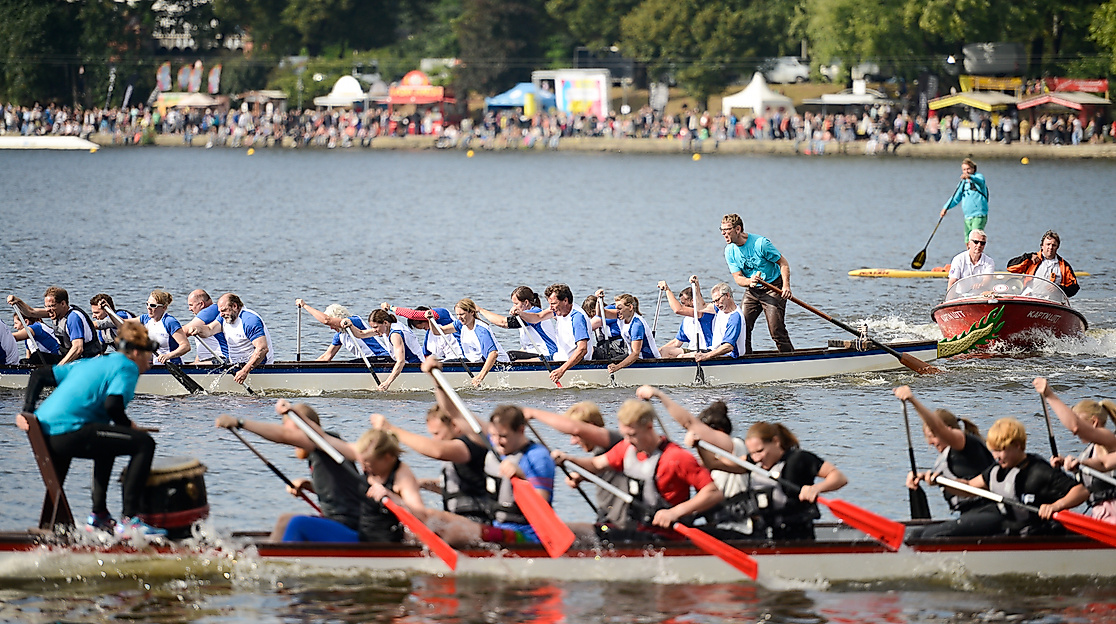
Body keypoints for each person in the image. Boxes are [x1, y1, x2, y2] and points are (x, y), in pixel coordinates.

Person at [16, 321, 164, 536]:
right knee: (144, 444)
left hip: (46, 433)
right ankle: (130, 520)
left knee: (107, 440)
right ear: (134, 352)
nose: (149, 364)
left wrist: (26, 412)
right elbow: (112, 405)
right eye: (148, 357)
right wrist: (129, 428)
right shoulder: (127, 366)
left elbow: (38, 375)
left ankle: (98, 515)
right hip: (69, 432)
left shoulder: (92, 363)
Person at [553, 397, 723, 541]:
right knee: (560, 530)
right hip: (636, 531)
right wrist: (570, 460)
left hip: (666, 537)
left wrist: (674, 512)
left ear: (649, 427)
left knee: (568, 533)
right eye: (625, 434)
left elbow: (713, 492)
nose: (628, 440)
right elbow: (597, 464)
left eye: (632, 435)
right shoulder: (627, 449)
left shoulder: (676, 458)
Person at [215, 399, 365, 542]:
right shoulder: (323, 453)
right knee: (284, 520)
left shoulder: (327, 447)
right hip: (339, 523)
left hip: (350, 527)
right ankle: (270, 558)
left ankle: (280, 560)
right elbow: (344, 490)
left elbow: (283, 435)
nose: (291, 439)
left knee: (296, 523)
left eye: (290, 428)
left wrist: (239, 422)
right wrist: (308, 485)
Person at [693, 417, 848, 540]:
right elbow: (713, 464)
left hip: (795, 537)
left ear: (775, 442)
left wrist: (815, 488)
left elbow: (839, 477)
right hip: (762, 534)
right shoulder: (752, 462)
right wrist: (698, 446)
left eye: (760, 451)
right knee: (701, 532)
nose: (756, 458)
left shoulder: (799, 459)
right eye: (752, 453)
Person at [637, 385, 758, 538]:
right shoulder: (712, 460)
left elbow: (689, 423)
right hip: (718, 521)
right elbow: (703, 464)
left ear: (719, 430)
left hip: (739, 526)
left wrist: (660, 396)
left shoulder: (735, 446)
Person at [894, 386, 998, 538]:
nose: (931, 442)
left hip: (989, 512)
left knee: (926, 537)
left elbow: (939, 429)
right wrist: (921, 476)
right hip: (969, 515)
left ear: (948, 430)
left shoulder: (965, 442)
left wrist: (912, 400)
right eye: (928, 437)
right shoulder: (948, 456)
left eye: (932, 436)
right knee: (913, 534)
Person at [963, 417, 1089, 536]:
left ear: (1017, 445)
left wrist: (1055, 506)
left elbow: (1081, 491)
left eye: (1001, 450)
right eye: (994, 451)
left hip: (1043, 533)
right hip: (1014, 529)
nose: (996, 456)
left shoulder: (1039, 470)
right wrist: (944, 481)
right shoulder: (998, 470)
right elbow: (968, 487)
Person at [524, 401, 631, 527]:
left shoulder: (615, 441)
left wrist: (533, 413)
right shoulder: (601, 452)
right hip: (607, 522)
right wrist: (583, 477)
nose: (572, 442)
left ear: (590, 428)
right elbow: (604, 469)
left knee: (559, 531)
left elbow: (576, 428)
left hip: (623, 526)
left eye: (575, 436)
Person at [1034, 377, 1116, 523]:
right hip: (1100, 518)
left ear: (1094, 422)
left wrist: (1049, 395)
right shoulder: (1087, 454)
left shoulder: (1111, 441)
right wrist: (1056, 505)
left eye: (1079, 420)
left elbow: (1103, 463)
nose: (1073, 433)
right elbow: (1083, 492)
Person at [720, 214, 794, 353]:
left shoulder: (760, 244)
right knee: (742, 327)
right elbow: (738, 278)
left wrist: (786, 286)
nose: (724, 233)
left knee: (776, 330)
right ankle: (746, 360)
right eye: (721, 230)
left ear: (738, 229)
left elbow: (783, 263)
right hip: (752, 291)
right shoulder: (729, 250)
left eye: (727, 229)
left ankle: (790, 359)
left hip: (773, 288)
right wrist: (749, 281)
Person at [185, 293, 274, 384]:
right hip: (235, 364)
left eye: (224, 310)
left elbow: (262, 349)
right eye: (220, 311)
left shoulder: (249, 320)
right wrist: (198, 329)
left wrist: (245, 371)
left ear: (235, 306)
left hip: (258, 366)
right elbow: (209, 329)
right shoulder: (224, 317)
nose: (221, 314)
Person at [519, 284, 593, 385]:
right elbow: (538, 317)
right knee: (515, 361)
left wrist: (562, 370)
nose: (551, 307)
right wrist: (520, 313)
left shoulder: (577, 318)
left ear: (565, 301)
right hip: (558, 358)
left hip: (574, 364)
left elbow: (582, 349)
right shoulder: (560, 310)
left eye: (553, 303)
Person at [9, 287, 103, 364]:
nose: (48, 310)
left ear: (63, 304)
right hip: (71, 357)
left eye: (51, 306)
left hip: (87, 360)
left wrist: (59, 368)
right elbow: (31, 313)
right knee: (35, 358)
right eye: (46, 306)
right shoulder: (56, 312)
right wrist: (17, 301)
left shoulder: (73, 318)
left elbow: (78, 348)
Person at [431, 299, 510, 388]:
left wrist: (480, 377)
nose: (459, 317)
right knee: (443, 363)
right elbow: (437, 332)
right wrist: (430, 320)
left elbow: (493, 354)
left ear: (472, 312)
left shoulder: (481, 330)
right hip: (476, 361)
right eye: (457, 315)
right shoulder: (461, 324)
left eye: (462, 314)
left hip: (498, 364)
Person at [343, 309, 423, 391]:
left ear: (385, 323)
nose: (374, 330)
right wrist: (350, 325)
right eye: (372, 327)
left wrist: (387, 382)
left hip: (416, 366)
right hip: (406, 364)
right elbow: (360, 334)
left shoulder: (395, 334)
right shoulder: (385, 328)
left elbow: (400, 361)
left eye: (375, 327)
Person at [105, 290, 190, 366]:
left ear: (164, 308)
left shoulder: (170, 322)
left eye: (153, 305)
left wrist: (168, 356)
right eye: (147, 304)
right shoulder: (146, 319)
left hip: (174, 365)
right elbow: (122, 324)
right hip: (157, 365)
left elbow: (186, 346)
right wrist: (109, 311)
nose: (148, 307)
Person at [475, 286, 559, 361]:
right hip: (537, 354)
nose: (514, 306)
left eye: (516, 304)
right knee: (503, 355)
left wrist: (480, 310)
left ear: (526, 302)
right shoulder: (523, 316)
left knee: (511, 355)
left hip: (548, 356)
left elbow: (503, 323)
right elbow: (527, 348)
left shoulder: (534, 313)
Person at [295, 299, 390, 361]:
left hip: (382, 358)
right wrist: (305, 368)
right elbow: (326, 357)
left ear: (337, 318)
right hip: (368, 361)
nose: (331, 327)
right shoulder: (339, 335)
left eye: (333, 325)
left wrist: (305, 306)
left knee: (351, 364)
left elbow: (326, 320)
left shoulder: (354, 321)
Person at [599, 292, 661, 373]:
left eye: (620, 308)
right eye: (616, 308)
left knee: (610, 363)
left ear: (630, 307)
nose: (617, 311)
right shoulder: (622, 316)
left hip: (648, 360)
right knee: (606, 362)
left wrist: (617, 367)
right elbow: (601, 314)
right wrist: (599, 300)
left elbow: (635, 353)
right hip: (634, 357)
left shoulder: (636, 325)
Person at [1006, 230, 1080, 297]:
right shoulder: (1031, 259)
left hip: (1052, 302)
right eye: (1048, 244)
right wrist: (1027, 257)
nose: (1050, 247)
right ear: (1042, 246)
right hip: (1030, 298)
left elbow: (1074, 288)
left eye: (1053, 245)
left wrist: (1059, 288)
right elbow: (1011, 268)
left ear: (1057, 247)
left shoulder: (1064, 266)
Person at [689, 279, 747, 362]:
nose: (716, 304)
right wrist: (696, 287)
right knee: (675, 353)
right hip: (716, 352)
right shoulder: (721, 308)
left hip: (729, 356)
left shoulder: (735, 318)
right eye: (714, 301)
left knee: (682, 357)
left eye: (717, 300)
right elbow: (701, 307)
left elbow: (728, 346)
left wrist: (706, 356)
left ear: (727, 295)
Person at [382, 304, 462, 361]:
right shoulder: (429, 335)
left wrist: (391, 308)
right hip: (448, 359)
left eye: (424, 327)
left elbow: (413, 315)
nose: (427, 329)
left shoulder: (442, 314)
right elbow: (425, 355)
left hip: (462, 356)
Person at [655, 281, 714, 359]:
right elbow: (676, 342)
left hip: (708, 351)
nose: (682, 305)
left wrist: (667, 290)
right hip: (692, 351)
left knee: (681, 356)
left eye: (683, 303)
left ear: (693, 301)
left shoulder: (704, 312)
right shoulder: (686, 320)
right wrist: (656, 352)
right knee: (664, 351)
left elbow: (678, 309)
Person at [940, 158, 989, 243]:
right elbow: (955, 198)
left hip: (979, 215)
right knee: (967, 240)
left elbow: (980, 182)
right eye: (964, 170)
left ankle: (977, 256)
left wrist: (970, 177)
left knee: (975, 239)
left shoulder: (978, 177)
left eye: (968, 169)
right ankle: (968, 256)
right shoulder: (963, 183)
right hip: (967, 216)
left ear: (973, 169)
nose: (966, 171)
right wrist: (945, 208)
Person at [182, 289, 227, 364]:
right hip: (209, 359)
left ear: (201, 304)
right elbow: (205, 343)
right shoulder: (210, 313)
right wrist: (196, 361)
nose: (189, 309)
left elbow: (183, 332)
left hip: (221, 359)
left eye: (191, 305)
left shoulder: (211, 310)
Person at [581, 294, 625, 361]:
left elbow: (586, 328)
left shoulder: (610, 311)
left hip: (619, 351)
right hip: (608, 349)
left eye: (589, 316)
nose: (590, 318)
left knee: (586, 349)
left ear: (593, 311)